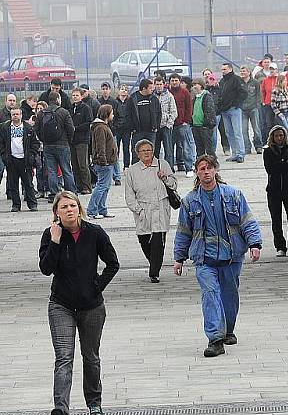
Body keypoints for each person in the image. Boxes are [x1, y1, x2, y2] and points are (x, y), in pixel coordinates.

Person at [38, 190, 120, 415]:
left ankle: (94, 402)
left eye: (72, 206)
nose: (69, 210)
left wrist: (97, 286)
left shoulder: (94, 233)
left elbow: (113, 264)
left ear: (79, 208)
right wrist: (54, 241)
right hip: (61, 304)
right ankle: (61, 408)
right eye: (63, 207)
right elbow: (46, 268)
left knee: (90, 356)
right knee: (64, 357)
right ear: (56, 212)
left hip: (91, 305)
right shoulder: (50, 235)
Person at [173, 155, 262, 357]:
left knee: (229, 295)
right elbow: (183, 232)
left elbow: (247, 221)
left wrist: (254, 244)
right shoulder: (189, 202)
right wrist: (179, 258)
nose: (206, 171)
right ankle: (215, 339)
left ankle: (228, 330)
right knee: (210, 294)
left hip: (231, 257)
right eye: (202, 168)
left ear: (216, 170)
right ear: (196, 172)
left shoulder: (234, 195)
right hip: (204, 259)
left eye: (209, 167)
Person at [124, 139, 177, 283]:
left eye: (149, 150)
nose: (147, 153)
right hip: (143, 210)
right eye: (143, 151)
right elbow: (129, 195)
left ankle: (154, 272)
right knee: (144, 241)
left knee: (158, 242)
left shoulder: (162, 164)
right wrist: (138, 210)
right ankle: (154, 262)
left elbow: (174, 184)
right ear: (137, 154)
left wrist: (165, 177)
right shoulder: (132, 171)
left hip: (160, 208)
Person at [263, 126, 288, 257]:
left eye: (281, 135)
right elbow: (270, 168)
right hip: (273, 189)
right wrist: (284, 163)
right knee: (276, 218)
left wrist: (281, 164)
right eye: (277, 135)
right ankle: (280, 246)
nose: (279, 138)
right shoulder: (267, 151)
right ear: (272, 137)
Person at [0, 106, 39, 212]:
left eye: (17, 114)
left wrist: (31, 155)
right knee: (13, 184)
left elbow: (35, 143)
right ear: (11, 115)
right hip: (11, 159)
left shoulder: (28, 127)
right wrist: (4, 155)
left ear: (21, 115)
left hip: (25, 159)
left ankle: (32, 204)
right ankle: (16, 205)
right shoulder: (5, 127)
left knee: (28, 183)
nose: (15, 116)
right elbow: (2, 143)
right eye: (13, 114)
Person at [86, 105, 118, 220]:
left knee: (106, 186)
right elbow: (100, 146)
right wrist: (103, 160)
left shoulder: (103, 126)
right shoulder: (100, 128)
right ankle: (92, 210)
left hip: (108, 161)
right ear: (106, 114)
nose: (113, 115)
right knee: (101, 186)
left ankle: (102, 209)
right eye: (112, 113)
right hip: (104, 163)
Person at [125, 79, 162, 162]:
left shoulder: (154, 98)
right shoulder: (133, 98)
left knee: (150, 151)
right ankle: (135, 170)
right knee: (136, 152)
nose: (152, 90)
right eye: (150, 88)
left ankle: (150, 169)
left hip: (151, 131)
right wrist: (132, 127)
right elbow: (128, 114)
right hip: (138, 131)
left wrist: (156, 126)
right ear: (144, 88)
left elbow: (159, 113)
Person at [218, 63, 247, 163]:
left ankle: (240, 153)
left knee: (237, 132)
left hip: (234, 109)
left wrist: (236, 104)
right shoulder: (222, 81)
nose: (223, 71)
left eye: (225, 69)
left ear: (230, 69)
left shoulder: (236, 79)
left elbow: (243, 92)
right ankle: (234, 153)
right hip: (224, 110)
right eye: (222, 69)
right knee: (229, 133)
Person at [169, 73, 195, 178]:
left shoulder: (185, 92)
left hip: (183, 124)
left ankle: (189, 168)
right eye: (172, 80)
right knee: (169, 148)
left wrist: (186, 120)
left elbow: (189, 107)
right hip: (170, 125)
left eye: (176, 80)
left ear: (179, 81)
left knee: (186, 147)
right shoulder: (167, 93)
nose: (174, 82)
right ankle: (170, 169)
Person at [69, 88, 93, 195]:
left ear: (81, 96)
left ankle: (86, 186)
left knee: (83, 164)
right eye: (73, 95)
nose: (75, 97)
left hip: (82, 140)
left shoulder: (86, 108)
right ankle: (78, 186)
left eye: (77, 95)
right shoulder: (70, 109)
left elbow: (88, 123)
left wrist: (76, 128)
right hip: (72, 141)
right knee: (74, 165)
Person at [190, 79, 217, 159]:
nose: (194, 86)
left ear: (201, 85)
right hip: (196, 126)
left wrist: (207, 124)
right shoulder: (195, 98)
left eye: (196, 84)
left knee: (209, 149)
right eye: (193, 85)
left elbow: (209, 111)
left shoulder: (206, 96)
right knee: (199, 148)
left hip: (204, 126)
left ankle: (213, 164)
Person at [240, 65, 264, 155]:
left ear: (249, 72)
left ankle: (258, 146)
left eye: (244, 71)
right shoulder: (239, 83)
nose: (242, 73)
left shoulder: (255, 83)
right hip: (242, 110)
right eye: (241, 71)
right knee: (244, 130)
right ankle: (247, 147)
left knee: (256, 129)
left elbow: (259, 95)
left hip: (253, 108)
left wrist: (257, 106)